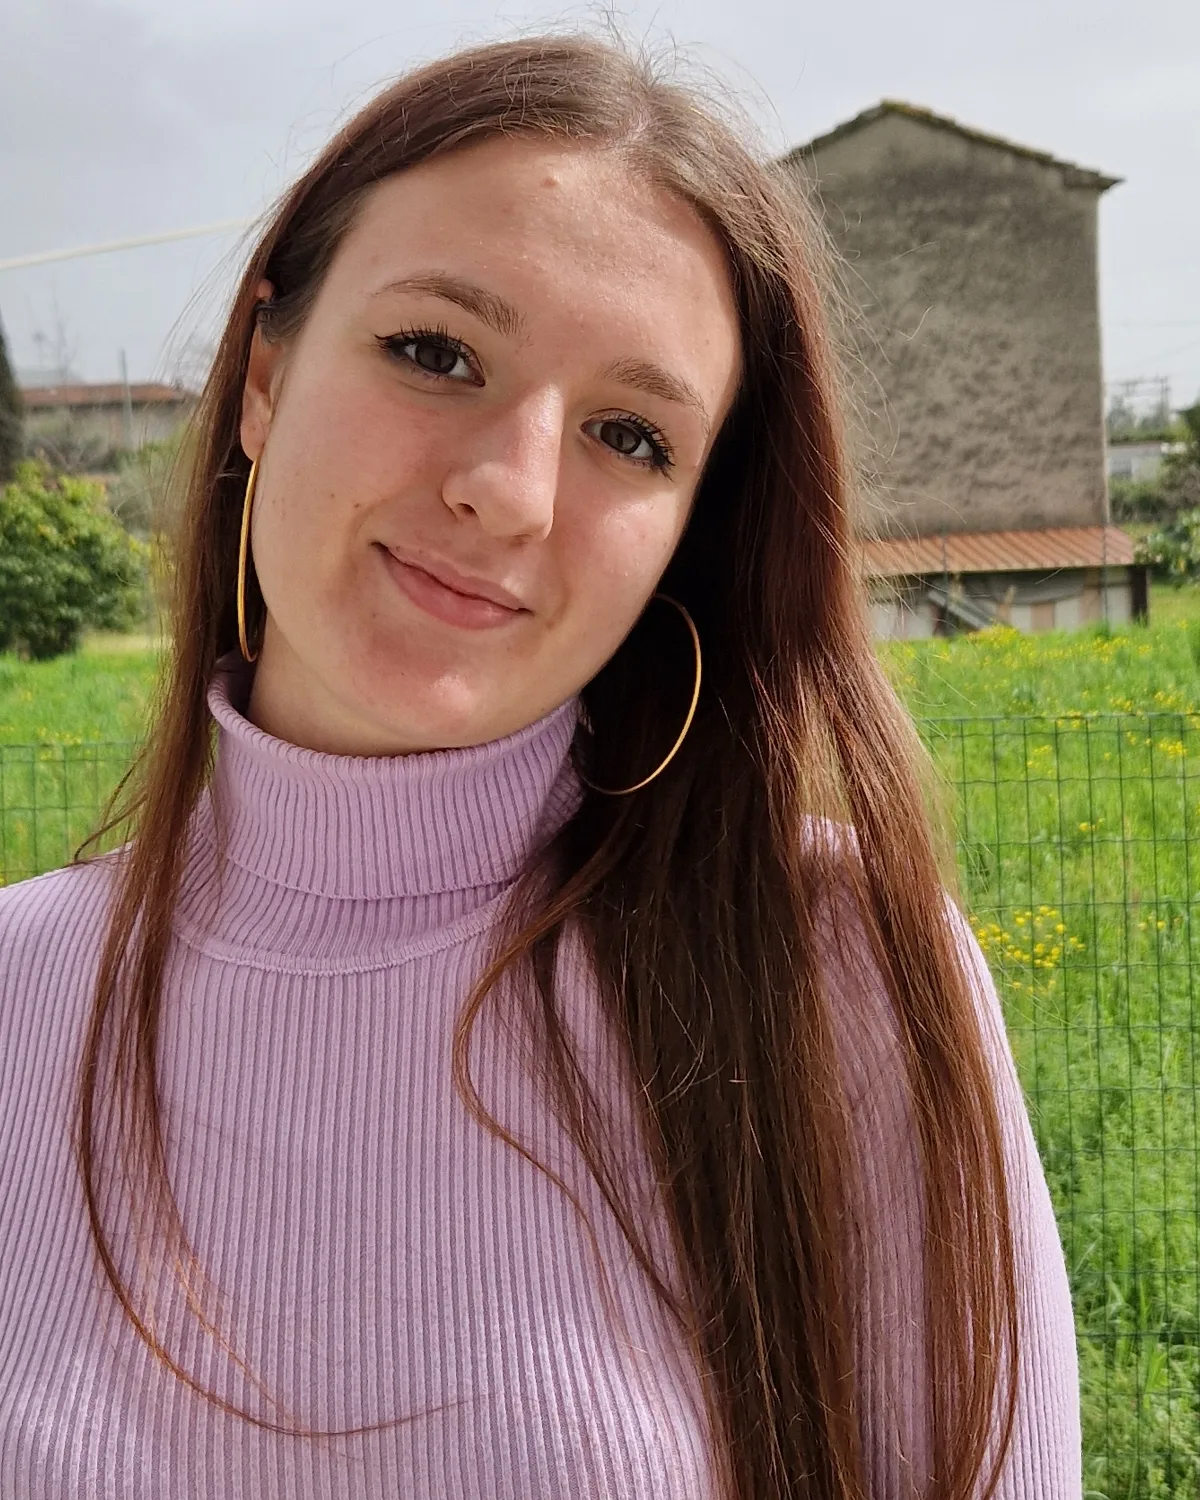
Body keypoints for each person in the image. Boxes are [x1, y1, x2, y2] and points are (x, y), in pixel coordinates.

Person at [0, 34, 1078, 1500]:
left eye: (630, 436)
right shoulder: (22, 989)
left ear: (688, 528)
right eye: (436, 352)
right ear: (263, 375)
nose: (508, 491)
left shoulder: (827, 972)